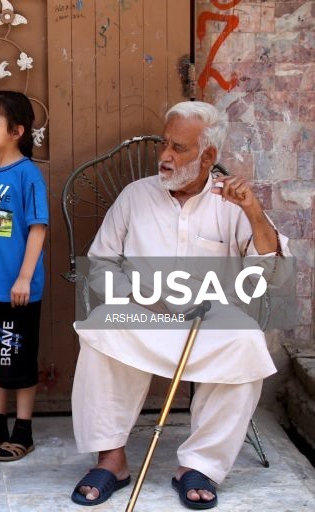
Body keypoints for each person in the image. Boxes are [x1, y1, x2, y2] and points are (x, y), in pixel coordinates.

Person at [69, 101, 290, 509]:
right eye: (164, 144)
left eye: (179, 148)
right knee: (101, 326)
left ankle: (199, 466)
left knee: (245, 340)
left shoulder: (231, 204)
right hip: (142, 309)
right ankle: (111, 459)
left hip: (209, 317)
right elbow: (100, 262)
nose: (165, 156)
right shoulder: (135, 196)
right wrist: (136, 296)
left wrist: (254, 212)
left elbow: (272, 273)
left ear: (208, 156)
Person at [0, 91, 49, 462]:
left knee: (17, 359)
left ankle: (24, 430)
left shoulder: (28, 174)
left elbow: (37, 228)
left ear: (16, 131)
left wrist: (24, 278)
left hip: (17, 290)